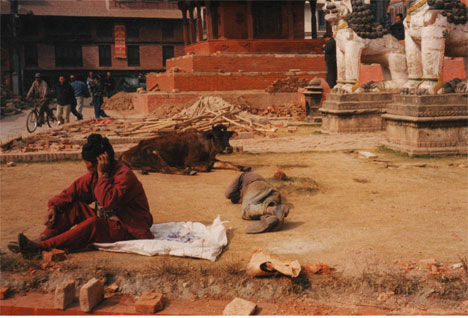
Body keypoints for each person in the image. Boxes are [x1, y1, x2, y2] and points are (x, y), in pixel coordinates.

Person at [7, 134, 154, 257]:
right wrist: (53, 207)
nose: (88, 169)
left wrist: (102, 176)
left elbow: (108, 202)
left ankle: (41, 248)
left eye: (90, 166)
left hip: (129, 227)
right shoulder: (95, 174)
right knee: (74, 207)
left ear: (102, 161)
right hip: (109, 222)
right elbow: (73, 191)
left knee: (93, 224)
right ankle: (39, 240)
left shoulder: (124, 175)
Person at [225, 172, 291, 234]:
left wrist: (239, 196)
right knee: (259, 211)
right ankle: (271, 216)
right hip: (273, 192)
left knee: (246, 210)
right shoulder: (256, 177)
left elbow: (228, 193)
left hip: (256, 186)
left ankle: (274, 209)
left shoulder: (242, 175)